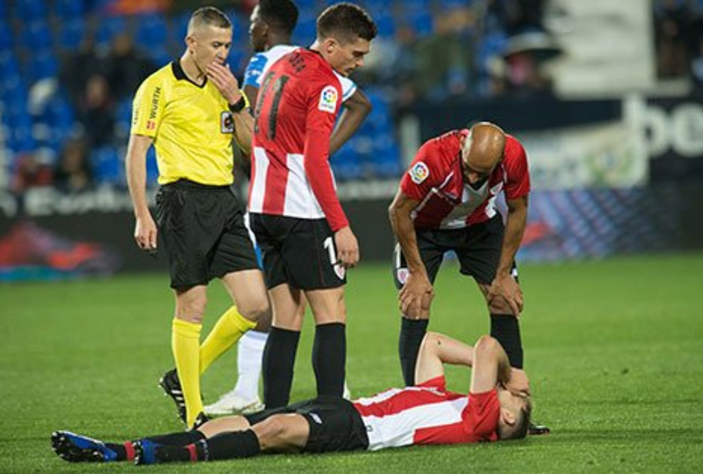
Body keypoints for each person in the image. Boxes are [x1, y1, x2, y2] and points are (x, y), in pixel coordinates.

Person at [205, 0, 372, 416]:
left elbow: (257, 131)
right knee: (332, 312)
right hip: (302, 211)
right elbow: (315, 161)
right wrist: (341, 227)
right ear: (331, 45)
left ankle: (271, 416)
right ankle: (333, 414)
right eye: (356, 54)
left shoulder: (278, 64)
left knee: (286, 316)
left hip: (262, 207)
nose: (359, 63)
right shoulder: (326, 83)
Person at [51, 331, 533, 465]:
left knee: (272, 433)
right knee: (238, 425)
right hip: (343, 409)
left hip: (358, 433)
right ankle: (122, 448)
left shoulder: (478, 419)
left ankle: (149, 456)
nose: (507, 405)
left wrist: (509, 375)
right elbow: (432, 344)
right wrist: (503, 381)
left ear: (503, 417)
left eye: (513, 411)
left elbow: (488, 348)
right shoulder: (442, 398)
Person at [125, 6, 269, 430]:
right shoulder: (158, 87)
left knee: (256, 305)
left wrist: (237, 101)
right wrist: (141, 214)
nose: (223, 53)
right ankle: (193, 412)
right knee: (193, 304)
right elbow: (136, 153)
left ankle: (180, 377)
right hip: (182, 199)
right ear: (192, 42)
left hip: (224, 200)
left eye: (227, 45)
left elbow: (250, 146)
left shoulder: (226, 86)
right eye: (215, 45)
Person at [389, 122, 533, 398]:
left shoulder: (514, 156)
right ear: (462, 147)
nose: (473, 177)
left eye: (482, 173)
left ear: (499, 160)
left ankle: (512, 403)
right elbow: (398, 211)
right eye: (468, 167)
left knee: (504, 300)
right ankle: (414, 404)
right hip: (425, 230)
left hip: (479, 227)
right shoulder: (433, 156)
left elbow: (518, 209)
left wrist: (503, 275)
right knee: (415, 304)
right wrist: (418, 273)